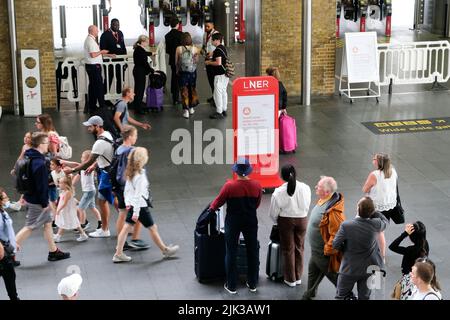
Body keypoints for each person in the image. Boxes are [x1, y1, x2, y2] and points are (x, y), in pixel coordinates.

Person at [113, 147, 179, 262]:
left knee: (126, 228)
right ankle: (165, 250)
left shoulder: (131, 172)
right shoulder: (140, 176)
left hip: (134, 205)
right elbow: (138, 195)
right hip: (140, 206)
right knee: (152, 227)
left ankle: (118, 253)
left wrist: (128, 203)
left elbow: (127, 190)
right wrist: (136, 212)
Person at [209, 158, 262, 294]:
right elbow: (257, 204)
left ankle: (231, 285)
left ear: (236, 171)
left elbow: (217, 202)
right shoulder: (257, 185)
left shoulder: (229, 186)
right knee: (252, 251)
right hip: (250, 220)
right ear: (248, 170)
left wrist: (210, 210)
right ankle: (252, 283)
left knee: (231, 251)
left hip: (233, 221)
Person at [15, 132, 70, 262]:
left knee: (48, 223)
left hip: (31, 197)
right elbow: (41, 186)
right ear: (40, 145)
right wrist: (45, 204)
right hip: (38, 201)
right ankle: (7, 253)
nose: (48, 145)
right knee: (30, 227)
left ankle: (53, 251)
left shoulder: (28, 156)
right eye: (47, 143)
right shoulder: (39, 163)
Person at [63, 116, 114, 238]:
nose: (88, 129)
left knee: (113, 202)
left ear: (97, 126)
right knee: (103, 201)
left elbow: (88, 162)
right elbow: (103, 155)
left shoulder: (99, 143)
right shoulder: (108, 135)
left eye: (90, 126)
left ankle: (119, 225)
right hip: (107, 171)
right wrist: (95, 165)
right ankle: (105, 229)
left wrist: (73, 170)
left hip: (106, 175)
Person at [333, 197, 388, 300]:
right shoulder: (376, 224)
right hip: (369, 269)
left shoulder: (346, 225)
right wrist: (374, 212)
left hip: (349, 268)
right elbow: (385, 221)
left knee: (341, 296)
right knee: (364, 297)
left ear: (358, 208)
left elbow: (335, 244)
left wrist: (346, 249)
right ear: (372, 212)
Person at [302, 176, 345, 300]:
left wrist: (327, 251)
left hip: (323, 253)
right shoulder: (324, 200)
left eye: (319, 186)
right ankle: (309, 294)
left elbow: (337, 234)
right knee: (312, 273)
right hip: (316, 251)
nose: (316, 187)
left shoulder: (334, 211)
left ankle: (348, 295)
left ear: (327, 192)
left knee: (334, 277)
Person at [268, 165, 311, 287]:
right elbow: (307, 205)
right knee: (300, 247)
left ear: (282, 176)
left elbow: (273, 213)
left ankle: (290, 279)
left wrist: (278, 221)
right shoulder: (305, 188)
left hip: (285, 221)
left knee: (288, 250)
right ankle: (298, 277)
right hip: (302, 219)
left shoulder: (278, 192)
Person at [113, 125, 149, 250]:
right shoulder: (132, 150)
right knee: (138, 210)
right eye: (135, 136)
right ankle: (135, 238)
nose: (136, 138)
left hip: (118, 186)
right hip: (129, 186)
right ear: (129, 137)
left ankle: (121, 241)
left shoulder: (118, 149)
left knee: (122, 213)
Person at [362, 153, 398, 260]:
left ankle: (381, 256)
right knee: (380, 230)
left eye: (374, 159)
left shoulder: (375, 174)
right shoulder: (392, 171)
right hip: (389, 205)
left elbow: (365, 189)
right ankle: (378, 252)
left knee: (379, 232)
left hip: (376, 207)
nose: (373, 160)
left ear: (378, 162)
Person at [388, 221, 429, 300]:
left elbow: (392, 246)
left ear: (411, 236)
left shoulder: (410, 250)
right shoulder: (425, 244)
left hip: (409, 278)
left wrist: (405, 234)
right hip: (420, 277)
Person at [64, 150, 102, 231]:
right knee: (92, 207)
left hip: (89, 191)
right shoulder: (82, 168)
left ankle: (82, 224)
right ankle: (100, 222)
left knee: (80, 208)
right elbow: (77, 177)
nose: (81, 158)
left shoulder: (87, 167)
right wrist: (70, 186)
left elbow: (76, 165)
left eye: (82, 157)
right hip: (89, 191)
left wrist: (64, 161)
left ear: (88, 160)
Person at [84, 25, 115, 114]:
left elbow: (95, 53)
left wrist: (108, 55)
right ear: (91, 31)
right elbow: (93, 55)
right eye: (96, 30)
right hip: (94, 66)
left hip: (91, 66)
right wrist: (102, 51)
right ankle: (102, 106)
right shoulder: (90, 41)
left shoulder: (90, 40)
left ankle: (92, 106)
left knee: (93, 87)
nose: (98, 32)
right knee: (99, 87)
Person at [53, 176, 89, 243]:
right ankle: (83, 235)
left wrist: (59, 210)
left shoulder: (68, 192)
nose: (59, 184)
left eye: (60, 183)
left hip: (67, 210)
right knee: (72, 222)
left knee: (64, 223)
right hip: (65, 210)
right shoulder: (64, 191)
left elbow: (65, 203)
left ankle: (58, 236)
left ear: (66, 185)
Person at [100, 18, 127, 97]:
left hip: (120, 62)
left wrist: (125, 60)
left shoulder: (120, 33)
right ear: (111, 25)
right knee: (108, 80)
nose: (117, 26)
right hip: (109, 62)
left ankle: (119, 97)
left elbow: (123, 46)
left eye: (118, 25)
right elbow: (103, 49)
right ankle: (104, 98)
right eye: (115, 25)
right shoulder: (105, 35)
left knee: (120, 79)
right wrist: (109, 55)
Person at [0, 188, 20, 300]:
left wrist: (14, 242)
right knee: (9, 276)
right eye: (5, 198)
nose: (8, 199)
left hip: (6, 249)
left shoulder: (3, 212)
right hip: (2, 252)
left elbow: (8, 229)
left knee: (10, 276)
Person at [175, 32, 200, 119]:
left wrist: (177, 71)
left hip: (182, 73)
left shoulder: (178, 48)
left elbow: (176, 62)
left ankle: (186, 111)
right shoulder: (195, 49)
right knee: (192, 89)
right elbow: (196, 61)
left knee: (184, 91)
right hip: (192, 72)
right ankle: (192, 108)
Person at [205, 33, 229, 119]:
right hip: (225, 74)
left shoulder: (218, 50)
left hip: (219, 75)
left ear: (217, 41)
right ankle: (224, 109)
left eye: (213, 40)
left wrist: (209, 62)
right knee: (223, 92)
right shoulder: (222, 48)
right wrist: (210, 54)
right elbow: (215, 54)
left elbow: (218, 63)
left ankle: (219, 112)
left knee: (217, 93)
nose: (211, 41)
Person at [132, 35, 154, 114]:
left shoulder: (139, 49)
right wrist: (151, 70)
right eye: (147, 42)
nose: (147, 44)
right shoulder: (140, 50)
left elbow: (144, 54)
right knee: (139, 90)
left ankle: (137, 106)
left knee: (138, 89)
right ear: (142, 42)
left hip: (137, 71)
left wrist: (151, 53)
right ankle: (138, 109)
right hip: (139, 72)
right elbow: (145, 62)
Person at [165, 16, 183, 105]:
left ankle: (174, 95)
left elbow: (167, 50)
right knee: (180, 78)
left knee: (173, 77)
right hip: (180, 60)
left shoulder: (167, 36)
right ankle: (177, 98)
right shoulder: (181, 35)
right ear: (178, 24)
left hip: (172, 59)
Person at [202, 21, 219, 103]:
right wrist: (202, 50)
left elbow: (220, 47)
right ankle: (214, 96)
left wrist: (212, 53)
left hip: (214, 60)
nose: (206, 28)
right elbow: (204, 45)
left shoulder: (216, 34)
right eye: (205, 26)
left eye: (208, 26)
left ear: (213, 26)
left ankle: (216, 100)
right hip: (207, 59)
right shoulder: (205, 34)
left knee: (215, 81)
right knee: (210, 80)